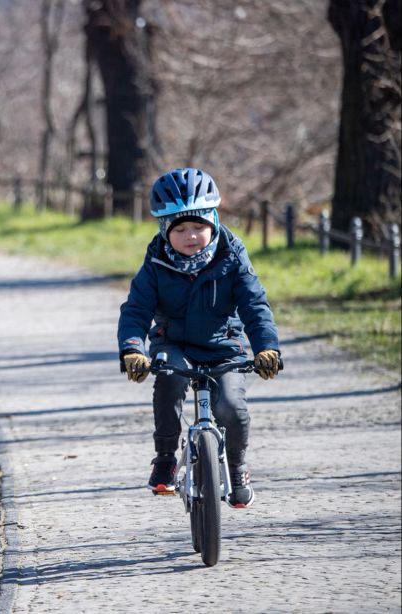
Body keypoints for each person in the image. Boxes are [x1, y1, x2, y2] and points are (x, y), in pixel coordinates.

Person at [117, 167, 280, 508]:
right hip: (173, 343)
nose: (191, 236)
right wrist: (133, 350)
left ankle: (236, 466)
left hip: (223, 345)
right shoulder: (156, 263)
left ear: (213, 223)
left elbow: (254, 305)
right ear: (165, 230)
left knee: (232, 407)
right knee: (169, 382)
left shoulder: (232, 257)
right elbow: (135, 310)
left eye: (199, 227)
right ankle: (164, 458)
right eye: (180, 229)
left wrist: (267, 347)